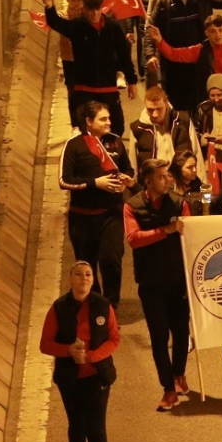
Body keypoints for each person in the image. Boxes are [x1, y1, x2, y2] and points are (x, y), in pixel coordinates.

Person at [40, 260, 119, 442]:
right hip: (70, 379)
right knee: (77, 427)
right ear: (70, 279)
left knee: (97, 428)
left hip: (97, 376)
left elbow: (114, 339)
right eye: (78, 274)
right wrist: (67, 351)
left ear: (93, 280)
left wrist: (92, 356)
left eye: (88, 274)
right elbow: (45, 344)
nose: (83, 278)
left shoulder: (103, 306)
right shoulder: (59, 308)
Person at [125, 159, 193, 412]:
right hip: (151, 284)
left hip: (177, 282)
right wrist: (166, 230)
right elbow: (133, 239)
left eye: (167, 176)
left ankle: (179, 374)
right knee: (158, 337)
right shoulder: (132, 207)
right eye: (162, 177)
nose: (168, 180)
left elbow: (191, 237)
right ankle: (168, 389)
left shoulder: (179, 203)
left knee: (181, 333)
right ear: (148, 181)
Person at [59, 102, 135, 306]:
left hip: (111, 214)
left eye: (109, 118)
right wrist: (95, 183)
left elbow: (128, 169)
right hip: (82, 218)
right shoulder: (74, 146)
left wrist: (127, 180)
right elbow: (64, 180)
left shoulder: (116, 142)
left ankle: (111, 305)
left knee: (111, 259)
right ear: (89, 122)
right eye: (103, 119)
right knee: (87, 264)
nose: (109, 122)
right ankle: (93, 305)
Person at [43, 0, 139, 132]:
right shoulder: (77, 26)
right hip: (84, 89)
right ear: (84, 9)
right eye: (90, 10)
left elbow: (124, 55)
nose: (94, 14)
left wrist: (132, 81)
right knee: (86, 128)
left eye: (97, 9)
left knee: (117, 127)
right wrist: (50, 7)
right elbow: (56, 23)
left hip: (108, 87)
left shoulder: (112, 28)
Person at [131, 83, 193, 163]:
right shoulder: (137, 128)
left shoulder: (183, 120)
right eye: (150, 110)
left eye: (159, 109)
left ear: (166, 103)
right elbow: (132, 163)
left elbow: (196, 153)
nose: (155, 114)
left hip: (178, 174)